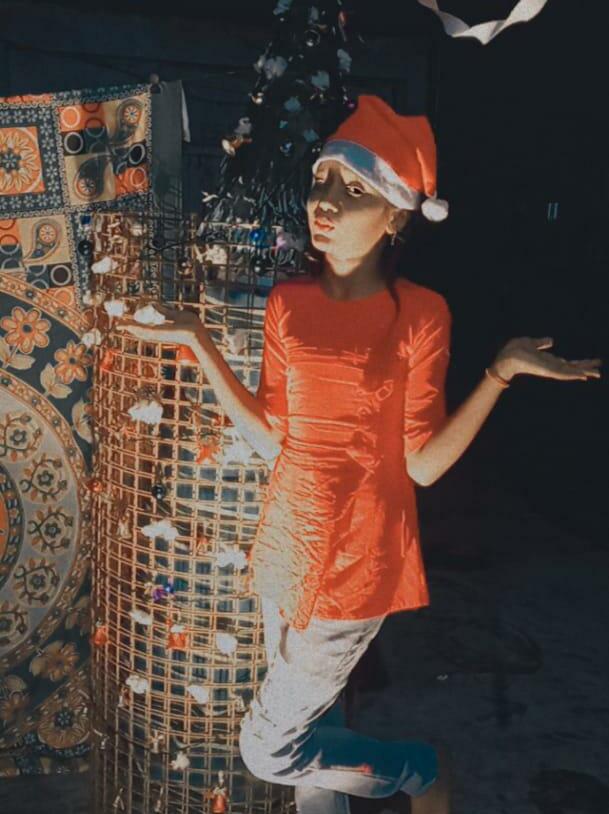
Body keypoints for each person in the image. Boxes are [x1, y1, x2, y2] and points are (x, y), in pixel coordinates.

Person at [116, 95, 601, 814]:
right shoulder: (288, 303)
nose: (326, 202)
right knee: (313, 734)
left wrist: (498, 373)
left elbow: (422, 464)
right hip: (285, 542)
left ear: (396, 216)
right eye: (322, 180)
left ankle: (420, 773)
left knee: (269, 749)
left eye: (354, 190)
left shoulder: (420, 313)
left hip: (356, 560)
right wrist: (198, 340)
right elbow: (273, 436)